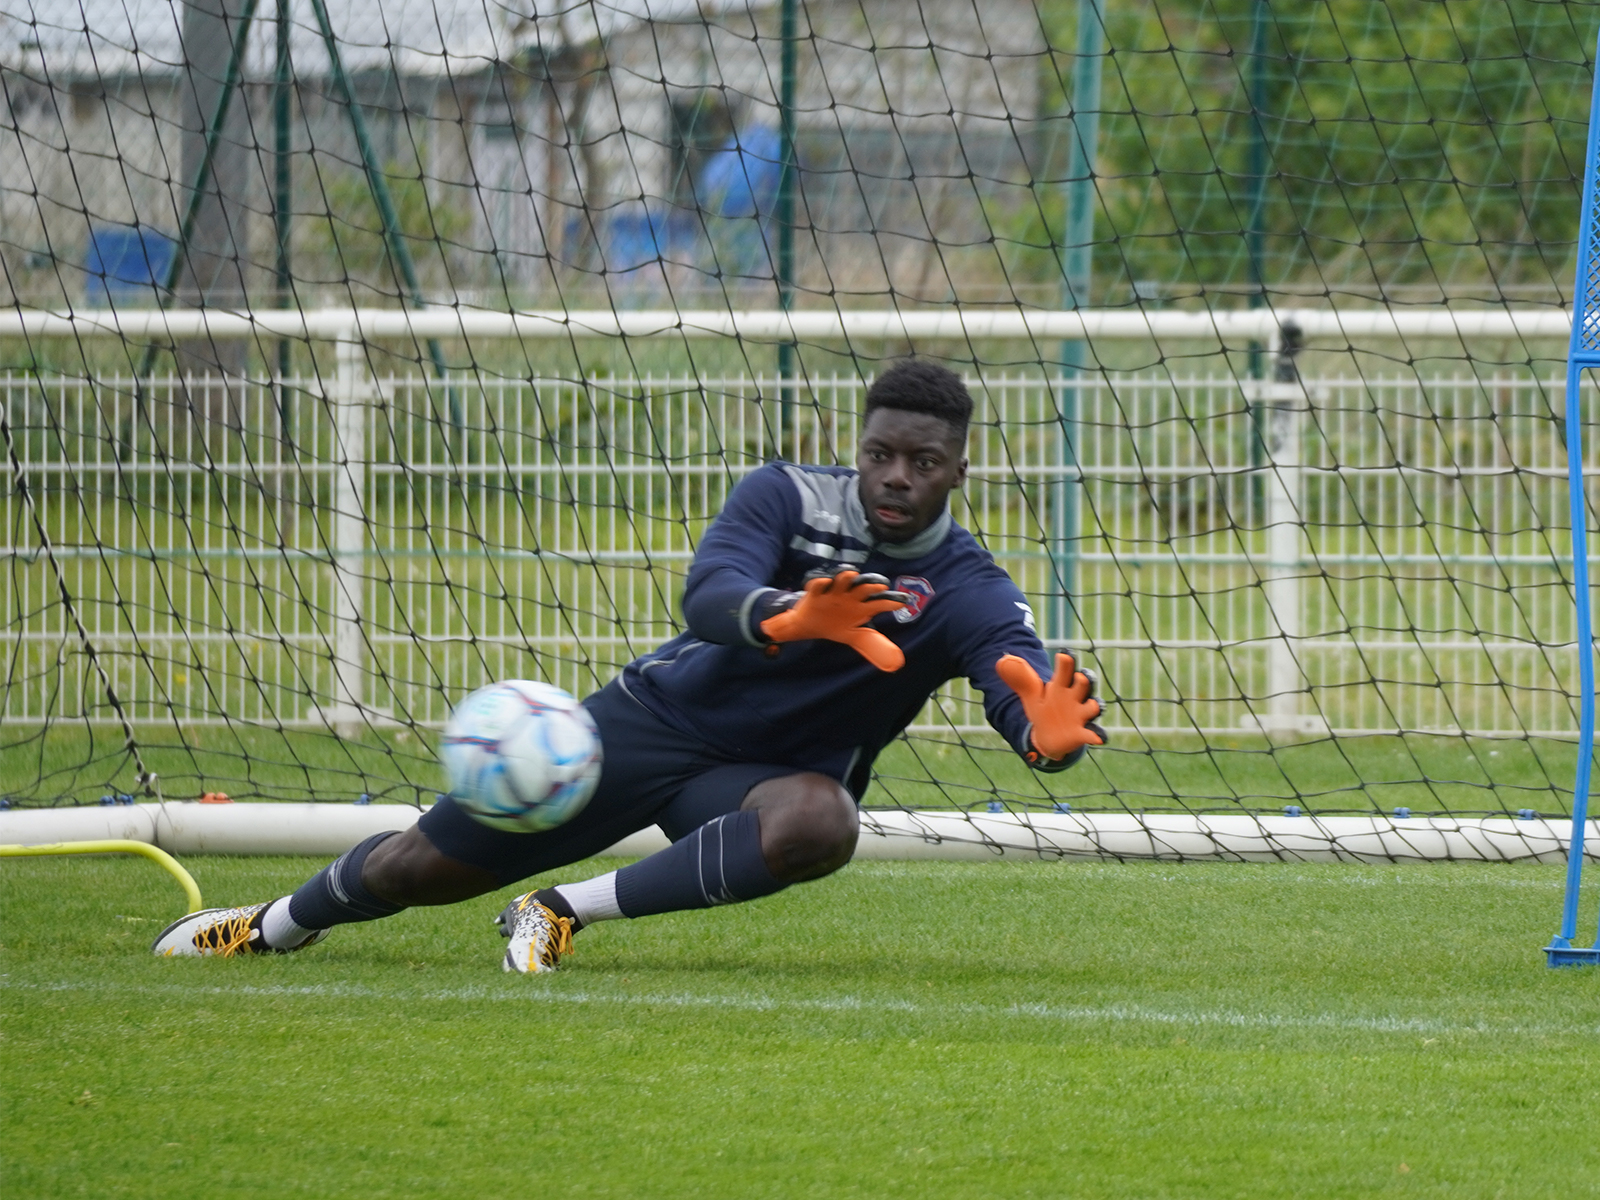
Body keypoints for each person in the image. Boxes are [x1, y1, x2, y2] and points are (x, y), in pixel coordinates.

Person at [152, 360, 1106, 971]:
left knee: (823, 822)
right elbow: (708, 593)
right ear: (857, 449)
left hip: (758, 782)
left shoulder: (966, 583)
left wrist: (1043, 738)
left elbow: (1012, 670)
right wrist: (788, 614)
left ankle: (560, 911)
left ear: (958, 471)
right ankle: (272, 925)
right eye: (881, 454)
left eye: (924, 462)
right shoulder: (783, 495)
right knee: (423, 868)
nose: (898, 477)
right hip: (649, 723)